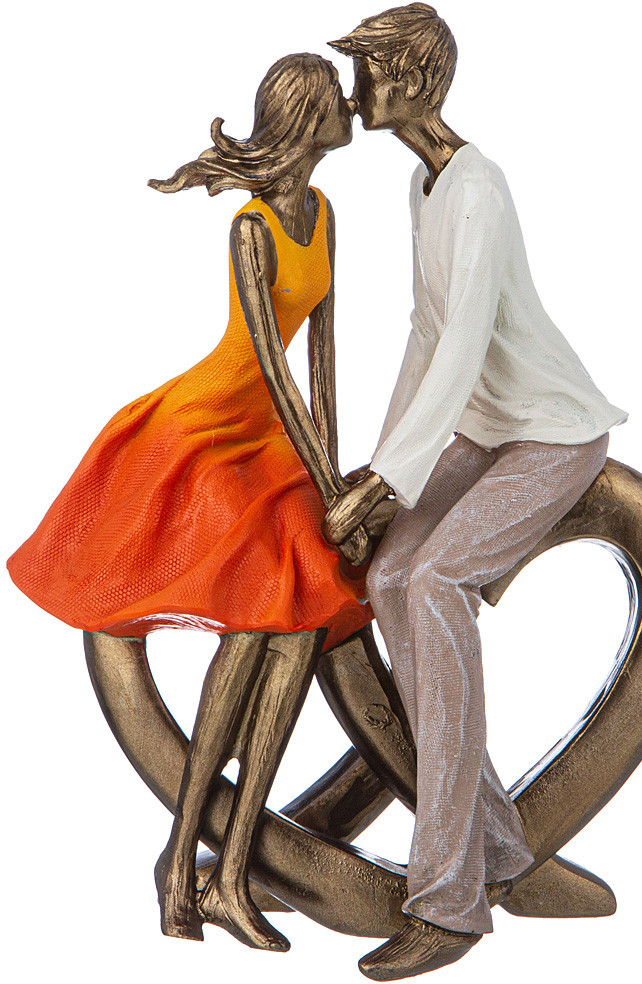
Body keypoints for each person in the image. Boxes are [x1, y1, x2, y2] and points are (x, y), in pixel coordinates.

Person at [7, 53, 371, 953]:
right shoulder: (251, 228)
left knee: (297, 624)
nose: (350, 106)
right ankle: (187, 869)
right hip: (208, 430)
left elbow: (323, 359)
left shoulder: (326, 214)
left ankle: (223, 874)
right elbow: (270, 367)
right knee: (262, 611)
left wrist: (336, 477)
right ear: (305, 118)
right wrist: (326, 482)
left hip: (279, 440)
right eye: (333, 98)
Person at [326, 6, 628, 979]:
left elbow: (462, 344)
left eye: (369, 72)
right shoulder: (425, 184)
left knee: (435, 580)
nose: (356, 92)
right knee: (389, 579)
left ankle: (448, 904)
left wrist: (391, 477)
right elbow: (427, 331)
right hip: (484, 430)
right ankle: (497, 850)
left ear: (414, 80)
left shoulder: (480, 188)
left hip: (550, 432)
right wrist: (383, 469)